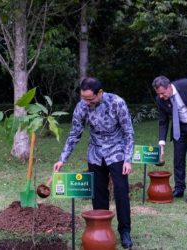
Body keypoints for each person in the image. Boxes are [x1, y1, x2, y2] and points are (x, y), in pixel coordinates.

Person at [53, 77, 134, 249]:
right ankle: (101, 230)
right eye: (83, 98)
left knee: (121, 192)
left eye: (90, 99)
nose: (86, 102)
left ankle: (125, 231)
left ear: (100, 93)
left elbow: (128, 132)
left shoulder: (117, 103)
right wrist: (62, 159)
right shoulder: (82, 106)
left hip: (117, 152)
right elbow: (75, 134)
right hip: (95, 153)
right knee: (98, 195)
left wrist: (128, 159)